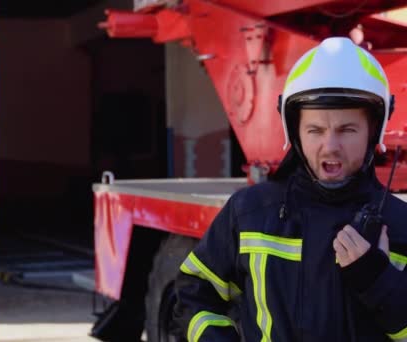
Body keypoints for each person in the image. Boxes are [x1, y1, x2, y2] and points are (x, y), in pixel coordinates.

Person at [173, 36, 407, 341]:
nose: (330, 146)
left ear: (373, 132)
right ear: (294, 132)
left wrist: (379, 283)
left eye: (347, 130)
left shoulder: (400, 225)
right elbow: (194, 296)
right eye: (315, 130)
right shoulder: (249, 214)